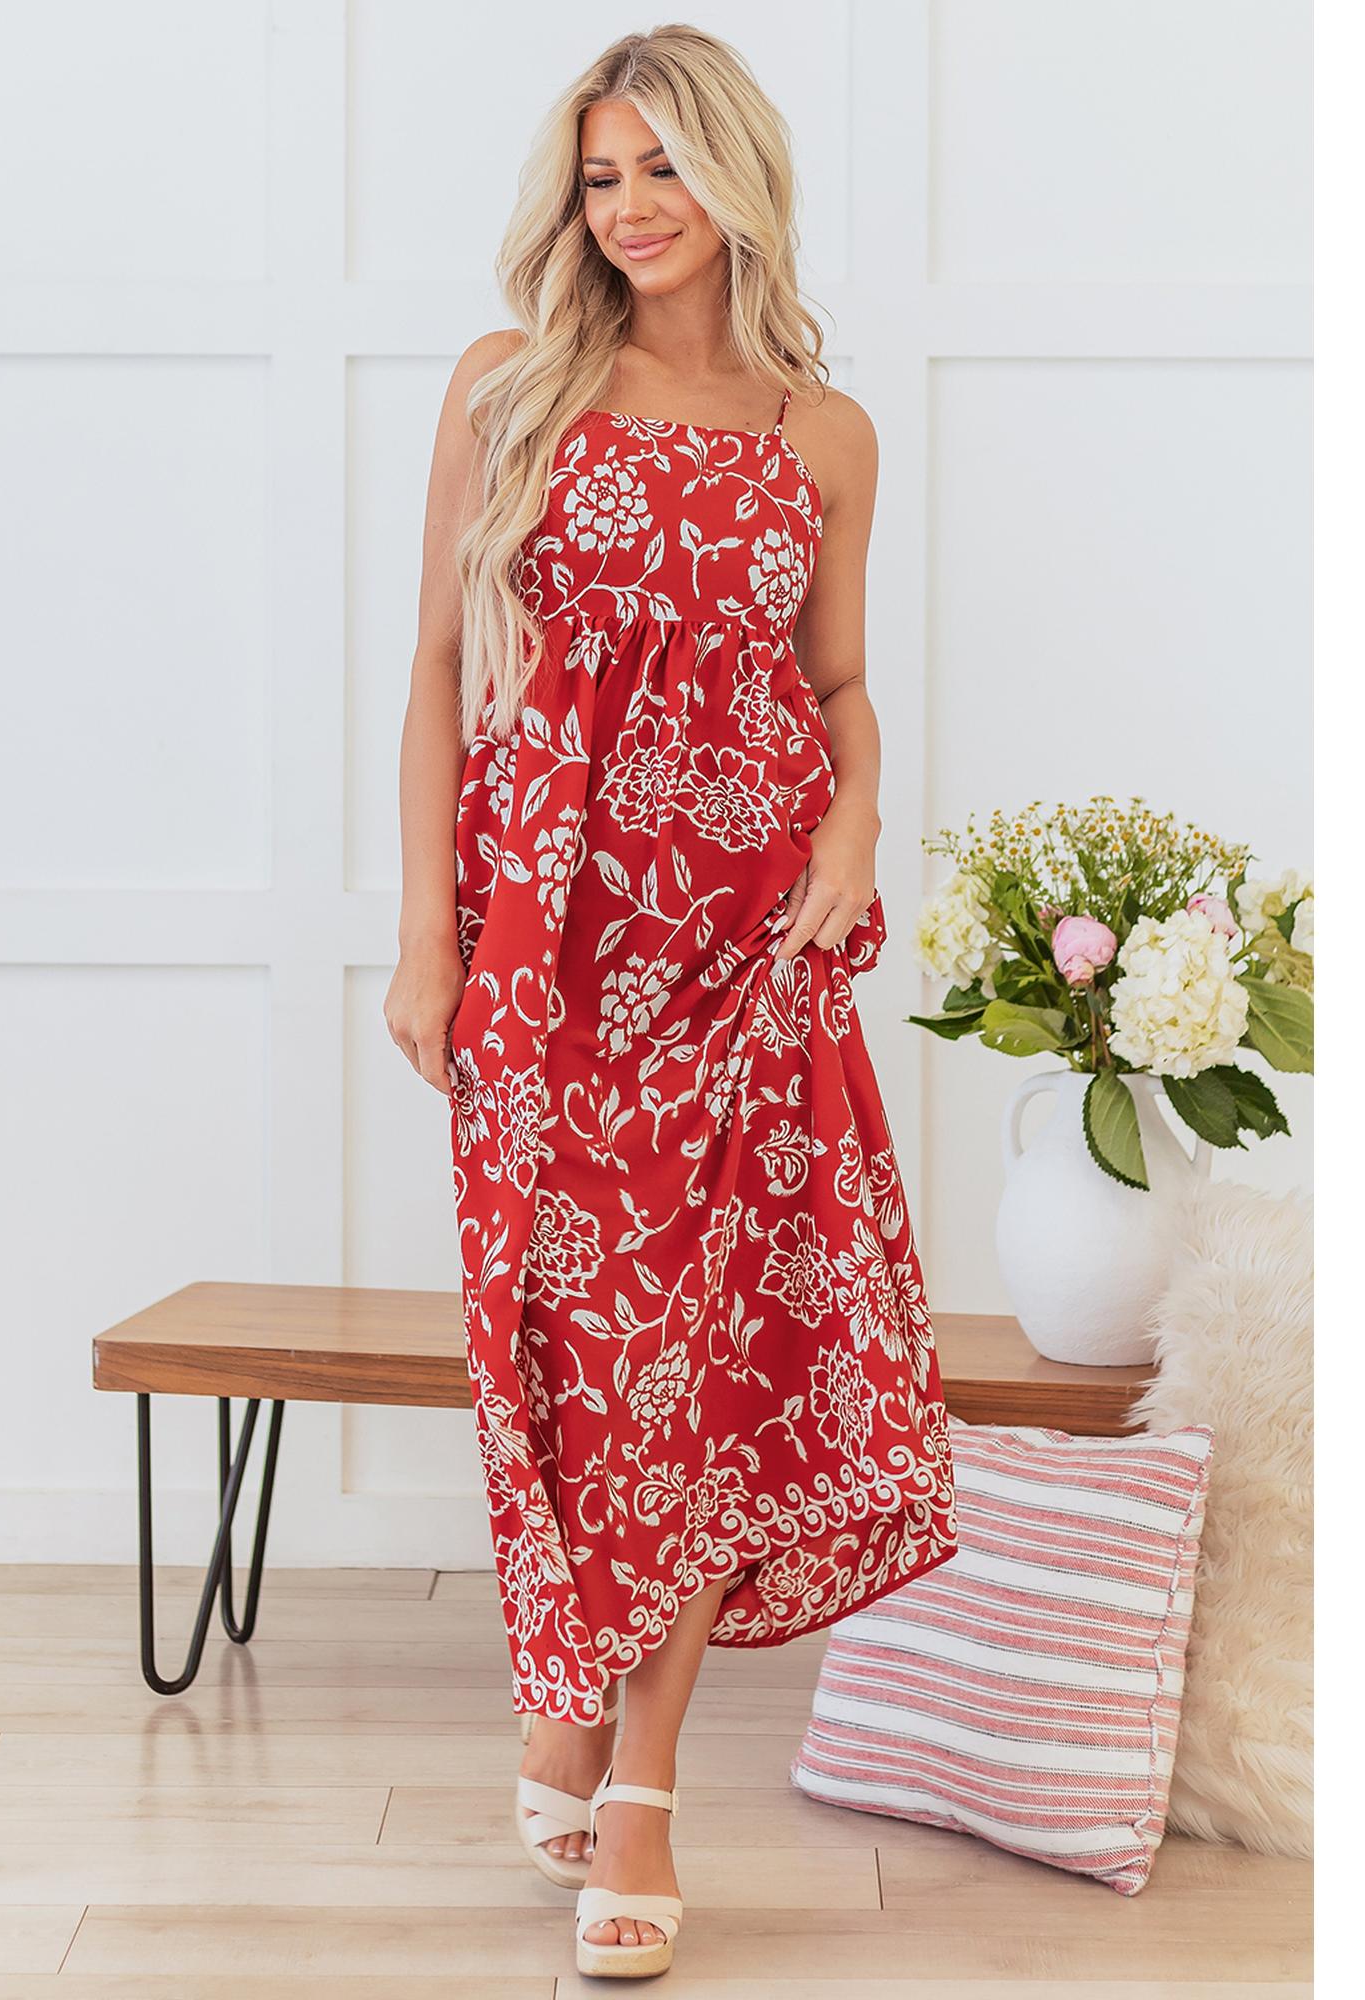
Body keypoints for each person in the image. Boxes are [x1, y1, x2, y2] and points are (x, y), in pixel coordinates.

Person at [386, 23, 959, 1981]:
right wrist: (427, 933)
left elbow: (835, 686)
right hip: (546, 947)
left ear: (735, 181)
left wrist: (854, 826)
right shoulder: (510, 385)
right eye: (600, 176)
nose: (630, 208)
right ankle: (566, 1686)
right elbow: (438, 670)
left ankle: (638, 1780)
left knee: (704, 1360)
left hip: (745, 951)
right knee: (558, 1343)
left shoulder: (822, 431)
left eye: (661, 169)